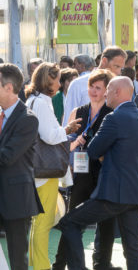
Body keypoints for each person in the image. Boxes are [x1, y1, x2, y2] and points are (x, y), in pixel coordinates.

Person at [59, 76, 138, 270]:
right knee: (132, 247)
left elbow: (92, 150)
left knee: (69, 223)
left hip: (113, 193)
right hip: (135, 193)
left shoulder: (114, 117)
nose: (106, 93)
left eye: (107, 89)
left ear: (117, 92)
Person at [52, 69, 115, 270]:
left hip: (105, 173)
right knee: (72, 221)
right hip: (81, 173)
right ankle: (59, 264)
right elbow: (63, 145)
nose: (93, 91)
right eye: (91, 86)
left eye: (98, 88)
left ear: (107, 91)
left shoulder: (111, 113)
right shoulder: (77, 113)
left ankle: (102, 264)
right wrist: (75, 142)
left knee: (106, 223)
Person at [25, 62, 81, 270]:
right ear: (49, 80)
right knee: (44, 221)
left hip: (37, 170)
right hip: (45, 172)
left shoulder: (32, 100)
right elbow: (50, 135)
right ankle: (41, 265)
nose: (60, 84)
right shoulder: (42, 102)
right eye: (57, 79)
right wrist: (66, 129)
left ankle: (37, 263)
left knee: (38, 222)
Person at [0, 63, 43, 270]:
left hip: (16, 199)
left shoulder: (28, 119)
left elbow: (7, 156)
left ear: (9, 87)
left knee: (18, 259)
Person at [63, 46, 127, 126]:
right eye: (116, 66)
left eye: (121, 69)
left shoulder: (119, 87)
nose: (118, 72)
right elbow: (68, 122)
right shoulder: (78, 84)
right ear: (104, 61)